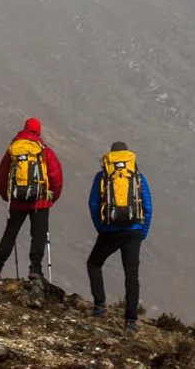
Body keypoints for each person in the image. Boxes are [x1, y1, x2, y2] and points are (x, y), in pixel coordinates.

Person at [84, 140, 152, 328]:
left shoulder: (103, 176)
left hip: (110, 231)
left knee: (94, 263)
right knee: (131, 274)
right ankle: (131, 321)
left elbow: (94, 204)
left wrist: (102, 228)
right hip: (134, 231)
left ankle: (99, 307)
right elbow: (147, 206)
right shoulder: (137, 177)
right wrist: (142, 232)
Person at [0, 117, 63, 280]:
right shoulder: (44, 151)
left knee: (10, 233)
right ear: (38, 131)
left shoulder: (13, 150)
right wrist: (52, 198)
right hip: (40, 201)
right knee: (39, 235)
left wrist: (7, 196)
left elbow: (2, 175)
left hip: (17, 200)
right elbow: (56, 176)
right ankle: (35, 269)